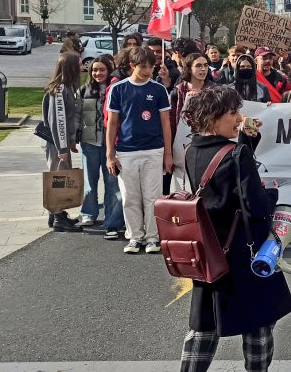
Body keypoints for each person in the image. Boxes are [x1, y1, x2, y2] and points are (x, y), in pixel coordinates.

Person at [173, 86, 291, 372]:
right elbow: (255, 204)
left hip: (210, 252)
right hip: (243, 251)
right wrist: (271, 193)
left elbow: (219, 184)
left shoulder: (193, 149)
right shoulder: (235, 154)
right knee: (258, 320)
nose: (238, 119)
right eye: (232, 114)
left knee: (203, 327)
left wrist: (245, 145)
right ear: (214, 117)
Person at [106, 47, 174, 255]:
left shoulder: (158, 89)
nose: (148, 71)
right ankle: (135, 236)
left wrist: (168, 154)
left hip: (153, 150)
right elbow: (112, 123)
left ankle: (153, 237)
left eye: (151, 67)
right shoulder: (118, 89)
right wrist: (110, 154)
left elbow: (165, 123)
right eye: (143, 67)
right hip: (126, 151)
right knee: (130, 197)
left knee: (153, 197)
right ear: (132, 66)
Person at [78, 56, 123, 236]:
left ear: (109, 70)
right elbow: (77, 115)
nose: (98, 73)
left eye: (102, 70)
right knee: (90, 180)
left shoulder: (115, 89)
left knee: (111, 182)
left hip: (109, 143)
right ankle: (89, 212)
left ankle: (111, 216)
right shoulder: (84, 90)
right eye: (95, 70)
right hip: (89, 142)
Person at [42, 52, 82, 232]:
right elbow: (58, 121)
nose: (82, 68)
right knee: (59, 177)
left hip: (61, 142)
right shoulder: (60, 90)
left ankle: (56, 213)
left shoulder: (64, 88)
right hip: (58, 143)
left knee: (59, 176)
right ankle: (58, 216)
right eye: (79, 64)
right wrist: (62, 147)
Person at [170, 52, 212, 142]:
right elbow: (171, 123)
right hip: (182, 141)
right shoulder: (177, 93)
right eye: (198, 66)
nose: (203, 69)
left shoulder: (215, 91)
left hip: (209, 140)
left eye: (205, 65)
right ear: (189, 69)